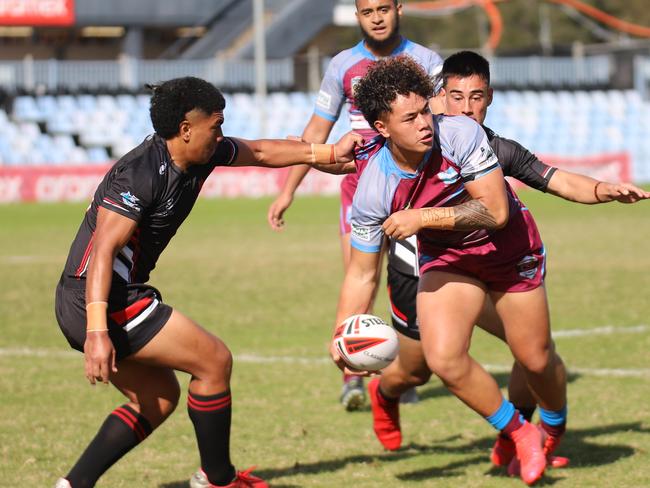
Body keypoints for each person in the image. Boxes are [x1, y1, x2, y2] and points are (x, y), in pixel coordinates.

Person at [53, 76, 361, 488]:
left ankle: (73, 485)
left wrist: (327, 151)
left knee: (158, 400)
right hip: (101, 299)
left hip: (100, 298)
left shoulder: (203, 152)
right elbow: (103, 252)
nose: (221, 134)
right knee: (214, 361)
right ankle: (217, 480)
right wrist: (96, 332)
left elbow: (263, 151)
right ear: (185, 129)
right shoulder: (140, 174)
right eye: (215, 125)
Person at [367, 51, 650, 474]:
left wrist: (602, 189)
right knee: (418, 365)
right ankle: (402, 401)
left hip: (507, 261)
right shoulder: (405, 139)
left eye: (476, 97)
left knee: (532, 357)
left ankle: (533, 435)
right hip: (437, 261)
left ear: (489, 99)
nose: (466, 107)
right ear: (439, 98)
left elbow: (553, 178)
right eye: (456, 96)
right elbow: (344, 160)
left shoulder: (494, 147)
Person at [330, 55, 571, 485]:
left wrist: (421, 218)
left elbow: (496, 211)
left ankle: (551, 427)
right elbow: (361, 274)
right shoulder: (373, 189)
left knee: (534, 357)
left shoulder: (459, 132)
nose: (426, 122)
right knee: (439, 359)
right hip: (448, 262)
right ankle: (520, 433)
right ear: (382, 128)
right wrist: (341, 331)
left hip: (507, 252)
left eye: (425, 109)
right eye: (410, 117)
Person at [266, 0, 443, 411]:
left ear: (399, 9)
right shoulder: (342, 65)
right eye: (367, 11)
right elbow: (317, 129)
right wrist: (288, 188)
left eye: (384, 8)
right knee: (360, 276)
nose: (377, 17)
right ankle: (353, 374)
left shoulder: (426, 61)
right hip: (358, 192)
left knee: (410, 283)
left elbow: (441, 123)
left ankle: (402, 367)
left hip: (413, 193)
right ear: (358, 15)